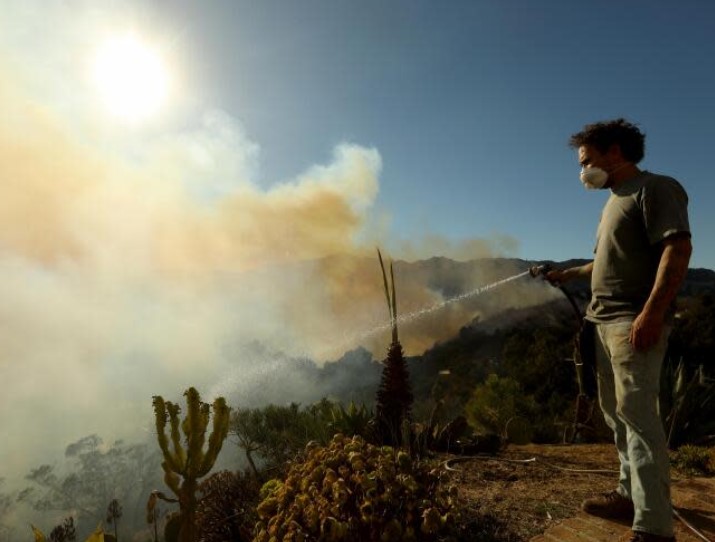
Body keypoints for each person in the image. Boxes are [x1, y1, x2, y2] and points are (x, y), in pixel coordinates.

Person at [547, 119, 692, 542]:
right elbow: (608, 262)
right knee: (617, 418)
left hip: (632, 323)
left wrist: (651, 314)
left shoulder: (656, 188)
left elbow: (677, 248)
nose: (583, 170)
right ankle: (628, 496)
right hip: (601, 322)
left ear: (614, 152)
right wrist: (570, 272)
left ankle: (653, 527)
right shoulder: (613, 201)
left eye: (587, 160)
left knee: (640, 419)